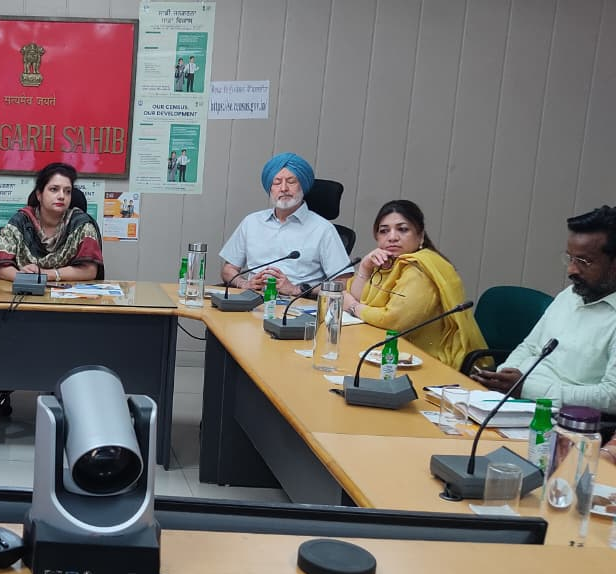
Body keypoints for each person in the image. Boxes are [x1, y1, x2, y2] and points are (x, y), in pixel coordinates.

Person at [471, 206, 616, 413]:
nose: (571, 270)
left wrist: (527, 389)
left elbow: (611, 396)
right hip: (513, 402)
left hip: (560, 418)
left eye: (584, 262)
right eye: (570, 258)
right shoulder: (570, 295)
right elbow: (529, 347)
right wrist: (504, 376)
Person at [0, 163, 103, 416]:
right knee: (11, 335)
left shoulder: (81, 223)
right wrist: (25, 276)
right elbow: (1, 265)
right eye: (54, 189)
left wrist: (47, 275)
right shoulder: (20, 221)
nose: (61, 195)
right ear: (39, 194)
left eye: (67, 191)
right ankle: (2, 383)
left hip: (70, 305)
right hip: (25, 303)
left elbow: (89, 271)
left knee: (64, 342)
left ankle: (65, 384)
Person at [342, 200, 486, 369]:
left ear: (421, 236)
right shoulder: (386, 263)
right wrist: (365, 268)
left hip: (428, 361)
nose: (392, 237)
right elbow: (358, 297)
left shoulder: (420, 269)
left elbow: (393, 321)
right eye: (384, 231)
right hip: (388, 352)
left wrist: (353, 307)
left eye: (403, 229)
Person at [219, 152, 352, 296]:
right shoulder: (251, 222)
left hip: (298, 303)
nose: (283, 188)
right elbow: (228, 269)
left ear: (303, 186)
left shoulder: (323, 229)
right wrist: (244, 283)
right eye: (277, 182)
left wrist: (296, 289)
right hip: (252, 300)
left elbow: (344, 282)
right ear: (270, 188)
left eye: (291, 181)